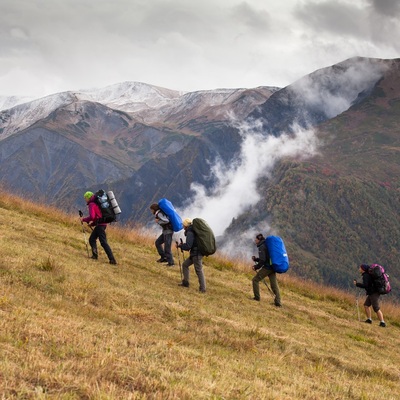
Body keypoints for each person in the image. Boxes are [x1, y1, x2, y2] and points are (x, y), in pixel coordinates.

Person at [81, 191, 117, 265]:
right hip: (102, 224)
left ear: (88, 198)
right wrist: (93, 224)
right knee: (92, 239)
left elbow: (92, 216)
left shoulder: (91, 204)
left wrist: (83, 219)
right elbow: (97, 216)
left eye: (85, 198)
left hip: (100, 225)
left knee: (103, 242)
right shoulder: (96, 204)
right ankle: (95, 256)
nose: (85, 200)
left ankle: (112, 260)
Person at [177, 218, 206, 293]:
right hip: (196, 253)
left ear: (186, 226)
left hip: (196, 254)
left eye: (183, 225)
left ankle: (203, 289)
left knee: (199, 270)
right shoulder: (194, 230)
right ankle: (185, 283)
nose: (183, 227)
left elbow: (188, 246)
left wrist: (181, 246)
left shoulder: (190, 232)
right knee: (185, 265)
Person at [251, 233, 281, 306]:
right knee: (274, 285)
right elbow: (264, 258)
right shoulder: (266, 245)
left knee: (255, 280)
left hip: (267, 268)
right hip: (272, 267)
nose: (255, 240)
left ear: (259, 240)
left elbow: (263, 260)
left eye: (256, 239)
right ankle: (278, 302)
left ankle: (257, 297)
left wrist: (256, 267)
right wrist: (256, 259)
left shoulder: (261, 247)